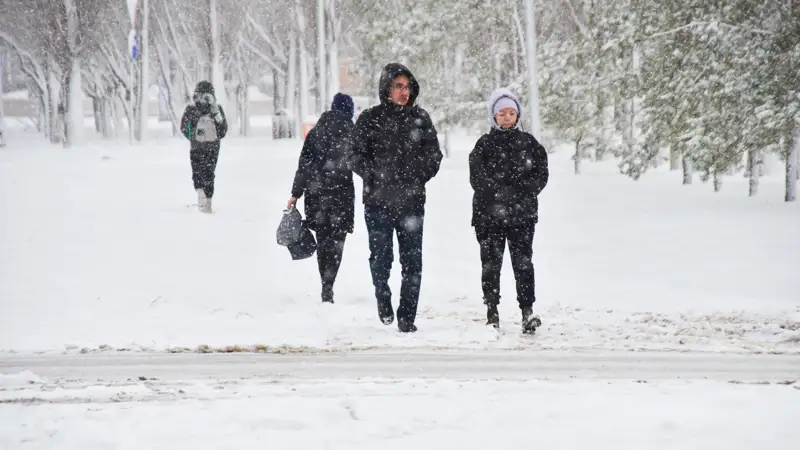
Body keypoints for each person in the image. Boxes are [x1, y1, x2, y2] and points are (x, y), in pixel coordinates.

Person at [351, 63, 443, 332]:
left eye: (407, 86)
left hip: (411, 203)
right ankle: (382, 296)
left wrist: (416, 175)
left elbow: (434, 156)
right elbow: (354, 155)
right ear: (386, 88)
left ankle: (407, 318)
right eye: (398, 86)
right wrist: (374, 174)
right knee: (381, 259)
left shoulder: (420, 118)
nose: (404, 92)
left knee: (412, 262)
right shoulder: (369, 118)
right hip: (377, 202)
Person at [469, 87, 549, 334]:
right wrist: (498, 195)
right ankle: (492, 311)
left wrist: (520, 193)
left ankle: (527, 311)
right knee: (491, 265)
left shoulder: (529, 144)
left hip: (522, 216)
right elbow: (477, 178)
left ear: (518, 115)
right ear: (493, 116)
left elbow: (541, 174)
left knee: (523, 264)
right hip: (489, 217)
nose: (506, 118)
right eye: (501, 113)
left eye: (511, 113)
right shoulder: (484, 145)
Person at [287, 93, 356, 303]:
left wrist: (295, 194)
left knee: (324, 240)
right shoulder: (353, 133)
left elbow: (304, 166)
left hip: (317, 194)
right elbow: (364, 165)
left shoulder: (316, 132)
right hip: (342, 195)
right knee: (337, 242)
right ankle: (330, 282)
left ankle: (325, 284)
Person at [181, 81, 228, 213]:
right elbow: (222, 131)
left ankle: (204, 199)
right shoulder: (197, 109)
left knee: (203, 173)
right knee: (203, 173)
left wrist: (215, 114)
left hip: (204, 147)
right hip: (205, 147)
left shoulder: (209, 109)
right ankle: (204, 199)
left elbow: (223, 131)